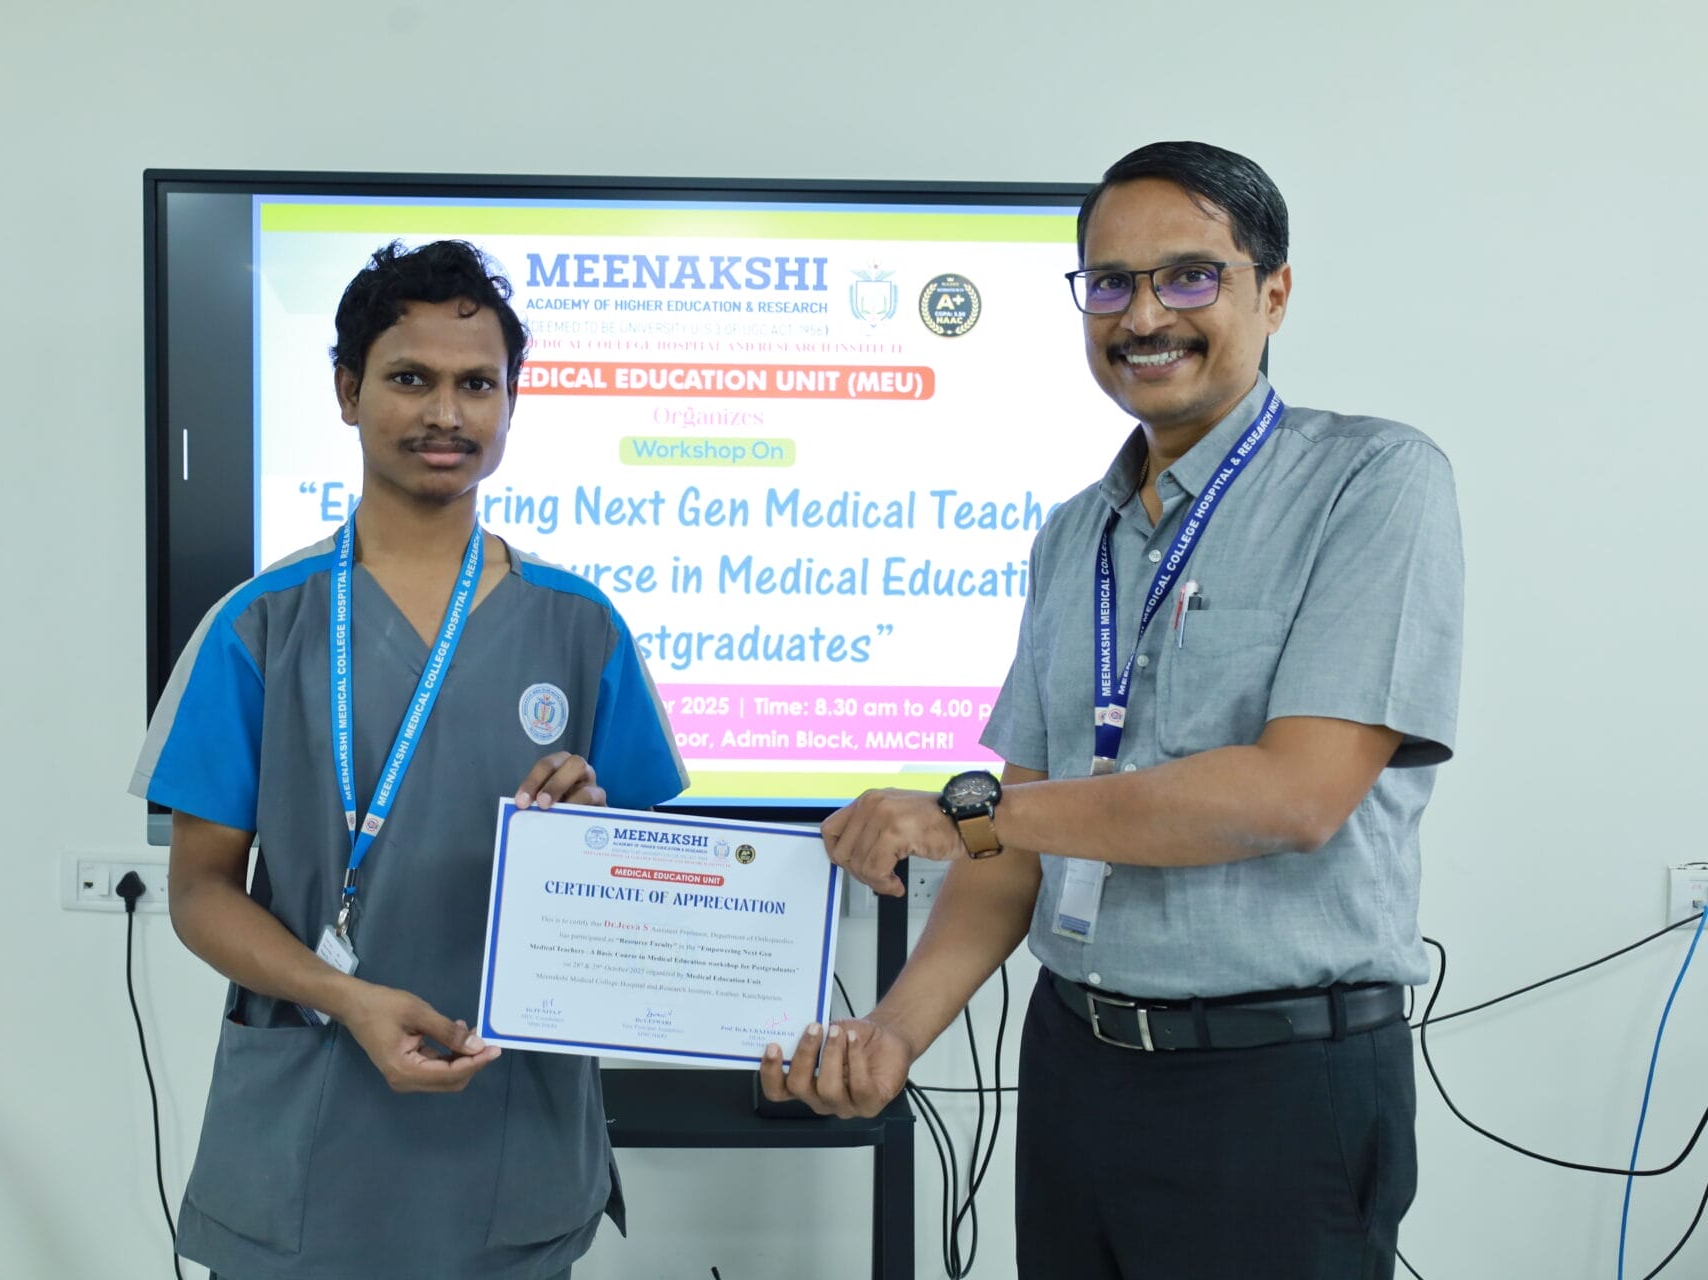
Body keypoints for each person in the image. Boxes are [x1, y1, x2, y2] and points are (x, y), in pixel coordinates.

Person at [761, 141, 1464, 1279]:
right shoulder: (1072, 536)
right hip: (1078, 1066)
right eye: (1110, 282)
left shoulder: (1371, 482)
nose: (1143, 315)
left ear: (1274, 292)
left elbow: (1294, 796)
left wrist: (965, 810)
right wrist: (893, 1031)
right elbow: (1011, 845)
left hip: (1275, 1088)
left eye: (1189, 276)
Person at [131, 240, 686, 1280]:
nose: (447, 413)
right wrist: (348, 997)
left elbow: (649, 892)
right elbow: (201, 892)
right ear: (348, 392)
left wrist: (599, 836)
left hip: (511, 1123)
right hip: (312, 1116)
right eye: (410, 378)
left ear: (511, 402)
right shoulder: (260, 625)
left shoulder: (582, 625)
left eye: (478, 384)